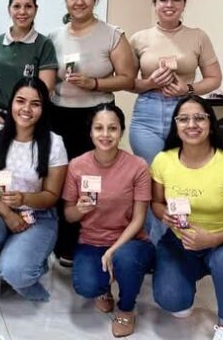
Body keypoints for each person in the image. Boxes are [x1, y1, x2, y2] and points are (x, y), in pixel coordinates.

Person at [48, 0, 136, 265]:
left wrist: (95, 84)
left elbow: (127, 77)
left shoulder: (112, 34)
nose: (79, 2)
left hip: (95, 117)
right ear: (66, 0)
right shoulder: (54, 36)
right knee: (62, 180)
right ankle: (63, 243)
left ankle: (93, 242)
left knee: (91, 180)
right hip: (59, 115)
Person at [151, 96, 223, 340]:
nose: (192, 124)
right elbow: (156, 203)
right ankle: (189, 277)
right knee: (173, 301)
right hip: (178, 242)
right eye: (184, 119)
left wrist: (211, 239)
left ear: (210, 123)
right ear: (176, 126)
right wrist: (163, 215)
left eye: (199, 117)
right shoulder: (163, 160)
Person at [129, 0, 223, 243]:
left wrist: (188, 90)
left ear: (184, 4)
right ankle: (155, 244)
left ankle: (180, 239)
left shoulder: (198, 36)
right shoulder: (140, 38)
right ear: (155, 4)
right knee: (151, 179)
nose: (169, 5)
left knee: (178, 177)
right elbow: (127, 81)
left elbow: (214, 79)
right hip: (146, 113)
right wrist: (149, 83)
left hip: (184, 114)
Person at [0, 77, 67, 304]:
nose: (26, 109)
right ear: (11, 104)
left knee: (16, 271)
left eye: (35, 104)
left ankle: (29, 264)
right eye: (20, 101)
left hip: (37, 215)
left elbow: (51, 196)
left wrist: (23, 198)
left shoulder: (54, 143)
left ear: (43, 108)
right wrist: (8, 213)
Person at [62, 104, 154, 337]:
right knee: (87, 286)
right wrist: (80, 209)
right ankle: (104, 288)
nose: (105, 135)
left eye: (112, 128)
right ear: (90, 132)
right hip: (91, 241)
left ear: (121, 132)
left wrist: (113, 250)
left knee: (125, 259)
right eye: (99, 128)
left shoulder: (138, 166)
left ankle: (127, 309)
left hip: (130, 241)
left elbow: (139, 219)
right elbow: (68, 215)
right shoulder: (77, 165)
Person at [0, 0, 58, 124]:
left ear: (36, 9)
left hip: (29, 119)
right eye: (16, 6)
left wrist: (24, 117)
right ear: (9, 9)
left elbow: (45, 89)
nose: (22, 11)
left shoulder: (44, 44)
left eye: (28, 6)